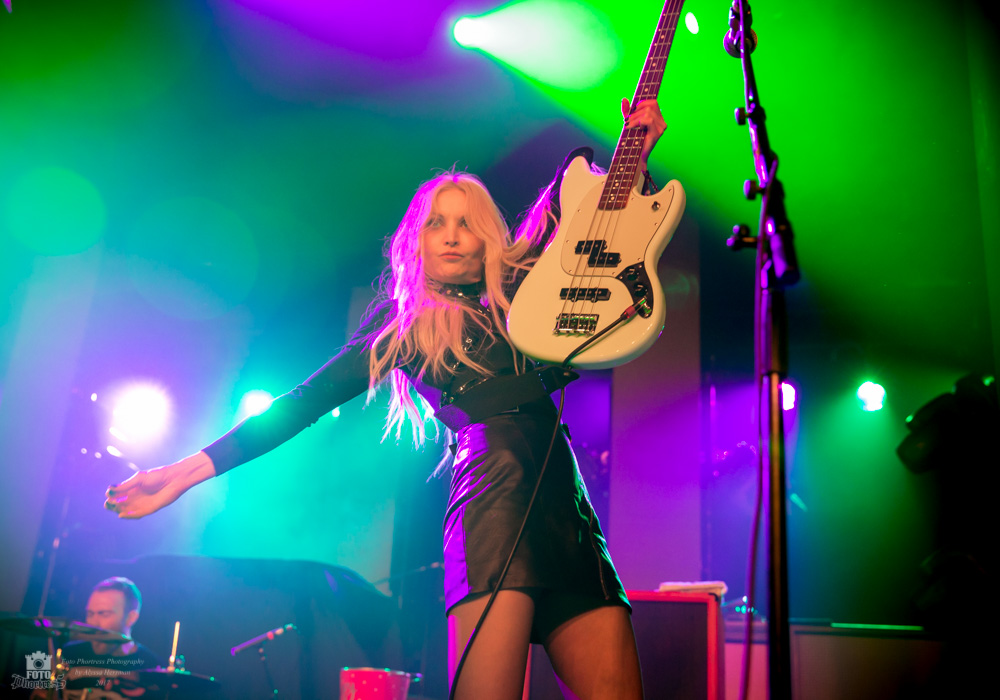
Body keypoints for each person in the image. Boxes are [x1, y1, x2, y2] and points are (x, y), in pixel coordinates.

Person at [104, 98, 667, 700]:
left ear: (488, 235)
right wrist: (184, 474)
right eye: (435, 223)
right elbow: (300, 403)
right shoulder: (404, 332)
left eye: (466, 222)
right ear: (415, 242)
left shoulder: (531, 286)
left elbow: (591, 222)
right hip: (495, 502)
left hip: (569, 506)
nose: (451, 236)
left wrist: (637, 151)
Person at [59, 577, 162, 696]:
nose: (94, 623)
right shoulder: (68, 654)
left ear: (131, 618)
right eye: (90, 614)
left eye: (104, 614)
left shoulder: (152, 668)